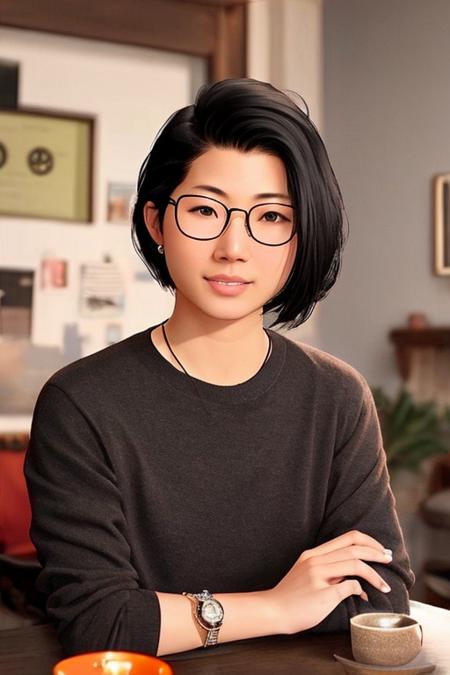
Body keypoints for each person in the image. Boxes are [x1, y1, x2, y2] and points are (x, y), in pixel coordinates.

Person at [25, 78, 415, 658]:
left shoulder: (335, 396)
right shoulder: (82, 403)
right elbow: (102, 623)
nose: (235, 246)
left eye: (273, 218)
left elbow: (380, 602)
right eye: (206, 209)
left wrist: (171, 614)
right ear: (156, 222)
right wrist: (280, 606)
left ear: (300, 237)